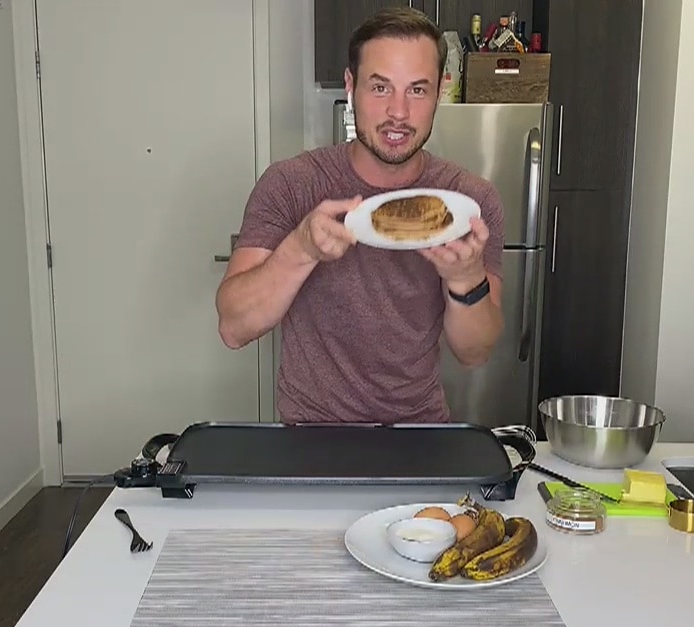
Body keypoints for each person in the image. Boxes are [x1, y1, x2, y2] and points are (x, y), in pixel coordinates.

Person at [214, 7, 505, 425]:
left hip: (419, 433)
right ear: (351, 85)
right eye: (380, 87)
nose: (398, 112)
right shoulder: (293, 184)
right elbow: (233, 327)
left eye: (417, 90)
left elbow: (475, 353)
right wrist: (301, 248)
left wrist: (466, 279)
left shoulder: (469, 202)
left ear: (440, 91)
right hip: (310, 435)